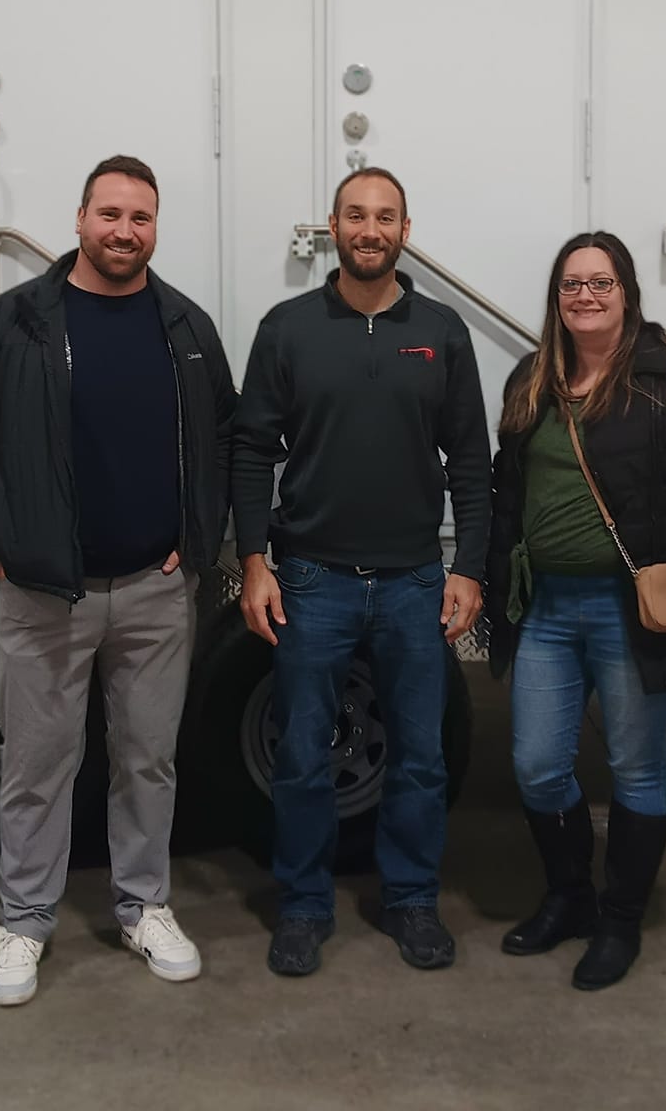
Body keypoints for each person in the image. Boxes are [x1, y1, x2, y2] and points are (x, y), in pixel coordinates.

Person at [0, 154, 236, 1008]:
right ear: (79, 219)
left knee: (148, 760)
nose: (124, 231)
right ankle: (24, 920)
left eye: (140, 217)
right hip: (42, 592)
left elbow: (223, 444)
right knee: (37, 764)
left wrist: (196, 539)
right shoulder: (16, 323)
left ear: (156, 228)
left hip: (155, 590)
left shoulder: (186, 328)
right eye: (110, 214)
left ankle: (143, 906)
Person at [232, 166, 491, 978]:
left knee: (420, 756)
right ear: (332, 228)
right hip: (311, 579)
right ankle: (303, 907)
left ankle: (412, 900)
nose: (369, 229)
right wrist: (253, 563)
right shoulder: (287, 328)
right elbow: (250, 452)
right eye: (355, 215)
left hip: (415, 580)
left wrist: (469, 566)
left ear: (404, 231)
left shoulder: (443, 332)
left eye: (385, 217)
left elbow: (473, 464)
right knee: (304, 755)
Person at [484, 232, 666, 991]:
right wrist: (488, 583)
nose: (585, 296)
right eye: (571, 284)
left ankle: (620, 919)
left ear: (627, 292)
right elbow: (507, 502)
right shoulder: (531, 381)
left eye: (601, 283)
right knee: (536, 766)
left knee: (636, 768)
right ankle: (568, 896)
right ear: (556, 298)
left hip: (631, 612)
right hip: (548, 610)